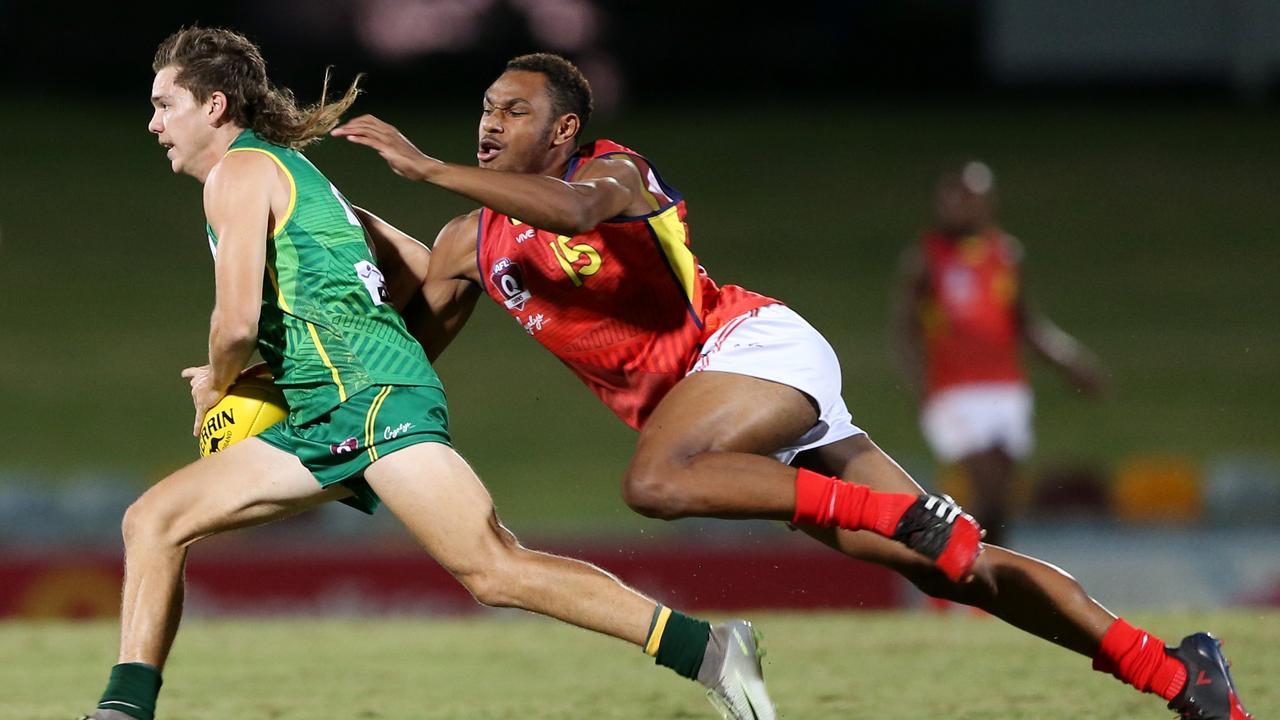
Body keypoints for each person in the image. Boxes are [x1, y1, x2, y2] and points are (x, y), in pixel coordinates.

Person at [333, 53, 1252, 720]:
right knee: (961, 568)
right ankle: (1179, 675)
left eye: (513, 110)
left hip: (755, 356)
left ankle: (896, 516)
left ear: (563, 128)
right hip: (726, 430)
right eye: (485, 108)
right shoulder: (468, 245)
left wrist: (421, 167)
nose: (490, 123)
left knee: (653, 483)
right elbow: (410, 350)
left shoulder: (612, 170)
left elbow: (575, 213)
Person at [81, 28, 775, 720]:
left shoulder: (238, 174)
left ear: (215, 106)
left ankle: (709, 650)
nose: (153, 123)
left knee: (492, 568)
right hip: (334, 406)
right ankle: (124, 711)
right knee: (155, 520)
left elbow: (232, 324)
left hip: (368, 399)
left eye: (165, 104)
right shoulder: (294, 174)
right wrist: (331, 333)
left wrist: (220, 378)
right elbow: (420, 262)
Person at [892, 161, 1108, 548]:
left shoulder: (1006, 254)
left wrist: (1070, 361)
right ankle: (961, 571)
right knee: (984, 487)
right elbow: (906, 331)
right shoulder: (926, 259)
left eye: (971, 198)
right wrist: (921, 388)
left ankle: (988, 578)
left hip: (1006, 388)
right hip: (954, 389)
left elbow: (1027, 324)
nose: (960, 206)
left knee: (1001, 499)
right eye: (953, 197)